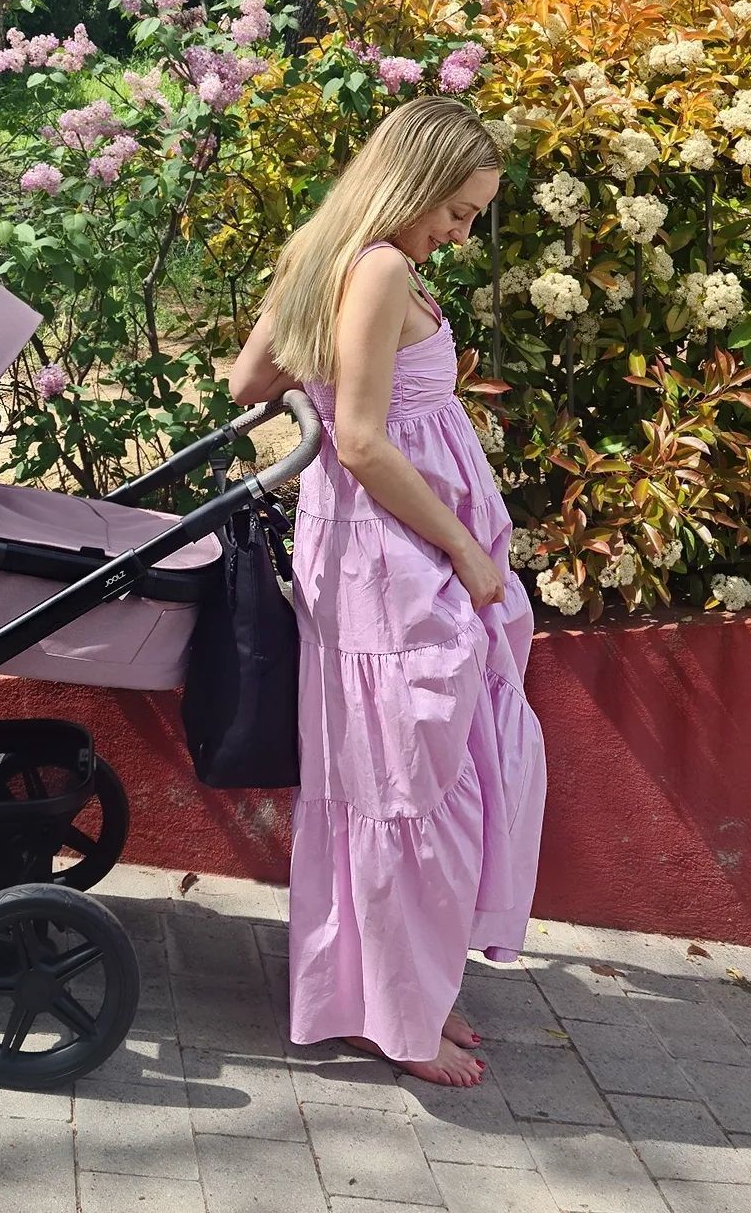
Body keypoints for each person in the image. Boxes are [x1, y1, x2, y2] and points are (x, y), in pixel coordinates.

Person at [229, 95, 546, 1087]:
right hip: (396, 557)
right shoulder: (373, 270)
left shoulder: (337, 256)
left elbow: (249, 381)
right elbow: (362, 442)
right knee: (410, 777)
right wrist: (465, 550)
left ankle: (400, 990)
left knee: (399, 771)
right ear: (411, 182)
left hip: (383, 551)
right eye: (455, 211)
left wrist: (314, 341)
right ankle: (397, 1016)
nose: (459, 233)